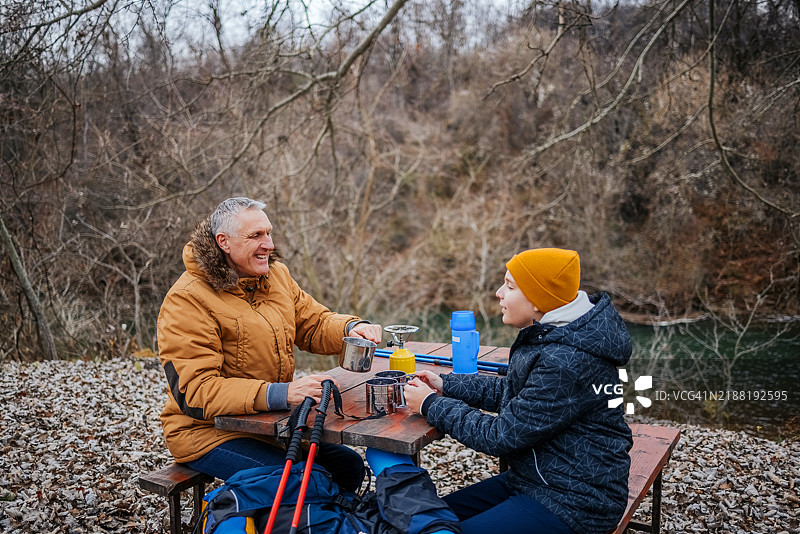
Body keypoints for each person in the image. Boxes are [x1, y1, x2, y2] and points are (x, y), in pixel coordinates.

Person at [157, 197, 381, 491]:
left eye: (268, 233)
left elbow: (312, 323)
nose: (269, 244)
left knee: (348, 467)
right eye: (256, 236)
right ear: (223, 242)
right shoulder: (187, 299)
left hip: (269, 424)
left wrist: (352, 327)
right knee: (305, 485)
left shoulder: (276, 275)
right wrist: (283, 393)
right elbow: (196, 392)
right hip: (208, 432)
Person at [404, 248, 633, 534]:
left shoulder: (568, 358)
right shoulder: (559, 333)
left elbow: (502, 435)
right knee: (428, 519)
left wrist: (430, 405)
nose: (499, 293)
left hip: (576, 501)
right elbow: (519, 394)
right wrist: (446, 384)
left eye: (510, 286)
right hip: (537, 479)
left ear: (539, 300)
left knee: (439, 528)